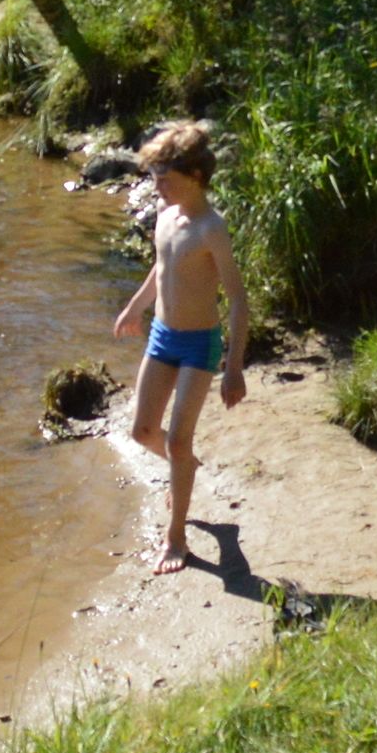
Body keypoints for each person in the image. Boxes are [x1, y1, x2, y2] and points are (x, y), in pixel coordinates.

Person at [110, 120, 251, 575]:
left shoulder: (212, 228)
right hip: (162, 336)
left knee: (180, 439)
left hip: (199, 345)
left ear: (196, 176)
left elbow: (238, 299)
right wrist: (134, 308)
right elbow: (161, 268)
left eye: (165, 180)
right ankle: (184, 467)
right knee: (142, 432)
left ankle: (176, 538)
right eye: (154, 179)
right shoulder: (167, 219)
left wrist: (233, 367)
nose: (158, 189)